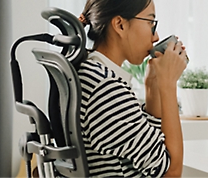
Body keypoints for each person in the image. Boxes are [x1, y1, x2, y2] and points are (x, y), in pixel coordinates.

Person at [78, 0, 187, 177]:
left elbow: (148, 152)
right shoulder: (107, 89)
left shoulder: (90, 73)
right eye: (150, 23)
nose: (156, 36)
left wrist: (153, 88)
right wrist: (168, 85)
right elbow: (170, 173)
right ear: (120, 25)